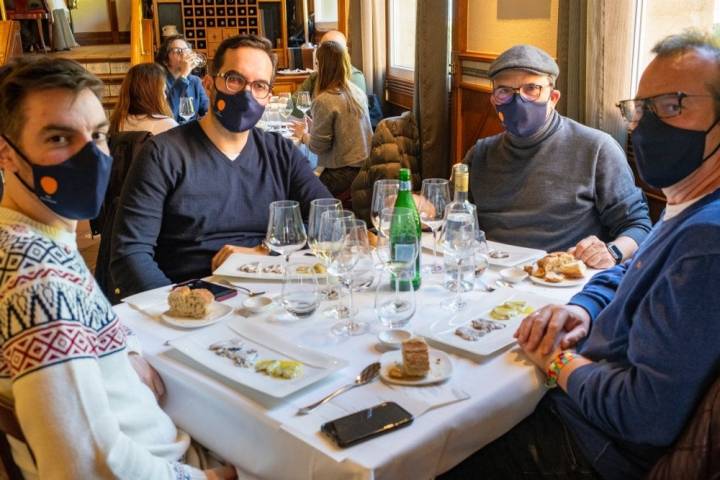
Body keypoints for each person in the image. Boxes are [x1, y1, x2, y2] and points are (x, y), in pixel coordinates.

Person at [442, 30, 720, 480]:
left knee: (438, 444)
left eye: (673, 105)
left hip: (590, 446)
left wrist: (554, 361)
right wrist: (584, 310)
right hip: (521, 312)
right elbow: (632, 271)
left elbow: (643, 414)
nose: (646, 126)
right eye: (641, 109)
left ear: (552, 94)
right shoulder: (685, 207)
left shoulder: (706, 242)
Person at [0, 56, 236, 480]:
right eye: (58, 138)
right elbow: (86, 465)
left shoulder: (30, 238)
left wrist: (123, 349)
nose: (88, 155)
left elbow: (84, 322)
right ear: (7, 153)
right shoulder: (39, 282)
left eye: (97, 135)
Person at [111, 35, 332, 297]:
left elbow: (329, 220)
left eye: (259, 85)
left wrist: (265, 251)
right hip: (192, 300)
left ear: (269, 95)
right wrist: (186, 306)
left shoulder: (280, 152)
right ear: (208, 84)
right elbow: (130, 256)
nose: (247, 94)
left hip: (271, 297)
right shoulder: (162, 154)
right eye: (235, 79)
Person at [464, 44, 652, 268]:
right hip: (490, 278)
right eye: (505, 91)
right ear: (494, 99)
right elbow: (449, 213)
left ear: (553, 98)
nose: (519, 100)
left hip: (558, 283)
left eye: (531, 88)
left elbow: (638, 225)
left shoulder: (596, 149)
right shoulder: (480, 154)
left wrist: (611, 252)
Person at [292, 40, 372, 196]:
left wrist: (303, 136)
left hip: (342, 173)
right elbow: (345, 131)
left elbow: (318, 147)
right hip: (366, 169)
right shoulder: (357, 92)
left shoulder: (325, 99)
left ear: (320, 66)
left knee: (297, 190)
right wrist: (315, 126)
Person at [109, 62, 178, 136]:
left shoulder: (116, 121)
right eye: (163, 91)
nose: (165, 96)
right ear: (152, 93)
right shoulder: (166, 124)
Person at [156, 34, 209, 123]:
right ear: (165, 60)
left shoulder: (195, 81)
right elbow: (167, 116)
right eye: (177, 51)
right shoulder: (160, 82)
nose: (184, 54)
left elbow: (206, 110)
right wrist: (183, 75)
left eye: (186, 50)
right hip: (170, 132)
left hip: (192, 132)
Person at [295, 30, 367, 96]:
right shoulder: (315, 77)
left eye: (335, 51)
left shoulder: (355, 77)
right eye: (324, 51)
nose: (329, 57)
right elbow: (294, 103)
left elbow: (345, 108)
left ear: (345, 52)